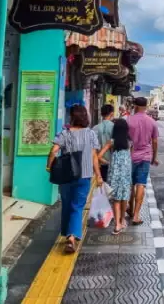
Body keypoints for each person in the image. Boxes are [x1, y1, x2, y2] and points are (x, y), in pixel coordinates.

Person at [46, 105, 102, 253]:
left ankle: (67, 234)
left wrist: (49, 166)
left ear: (72, 117)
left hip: (66, 175)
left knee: (66, 204)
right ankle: (72, 236)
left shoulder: (64, 133)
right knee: (77, 206)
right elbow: (94, 156)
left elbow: (54, 151)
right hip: (84, 175)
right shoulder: (90, 134)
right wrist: (99, 175)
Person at [126, 97, 159, 225]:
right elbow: (155, 142)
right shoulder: (152, 122)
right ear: (145, 106)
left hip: (130, 156)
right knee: (141, 184)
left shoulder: (128, 120)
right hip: (145, 156)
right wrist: (154, 158)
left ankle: (130, 208)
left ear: (135, 106)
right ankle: (136, 215)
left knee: (130, 184)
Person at [97, 118, 132, 233]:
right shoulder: (129, 143)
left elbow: (99, 156)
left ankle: (117, 225)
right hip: (126, 174)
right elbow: (130, 158)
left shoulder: (112, 142)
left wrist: (109, 162)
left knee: (116, 199)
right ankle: (122, 220)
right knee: (124, 198)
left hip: (114, 174)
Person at [93, 104, 115, 181]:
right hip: (111, 161)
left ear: (101, 114)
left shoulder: (95, 128)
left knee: (100, 185)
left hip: (97, 162)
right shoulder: (114, 127)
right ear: (112, 113)